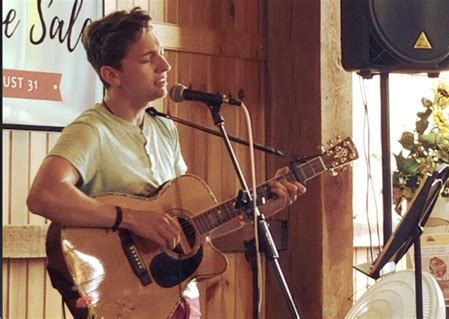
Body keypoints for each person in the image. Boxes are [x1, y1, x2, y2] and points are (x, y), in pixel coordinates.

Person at [26, 7, 306, 319]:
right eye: (148, 59)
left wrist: (258, 208)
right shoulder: (92, 130)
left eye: (161, 53)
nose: (165, 65)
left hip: (180, 296)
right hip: (128, 302)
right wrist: (130, 218)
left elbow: (193, 229)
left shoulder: (164, 128)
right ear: (111, 75)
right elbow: (44, 195)